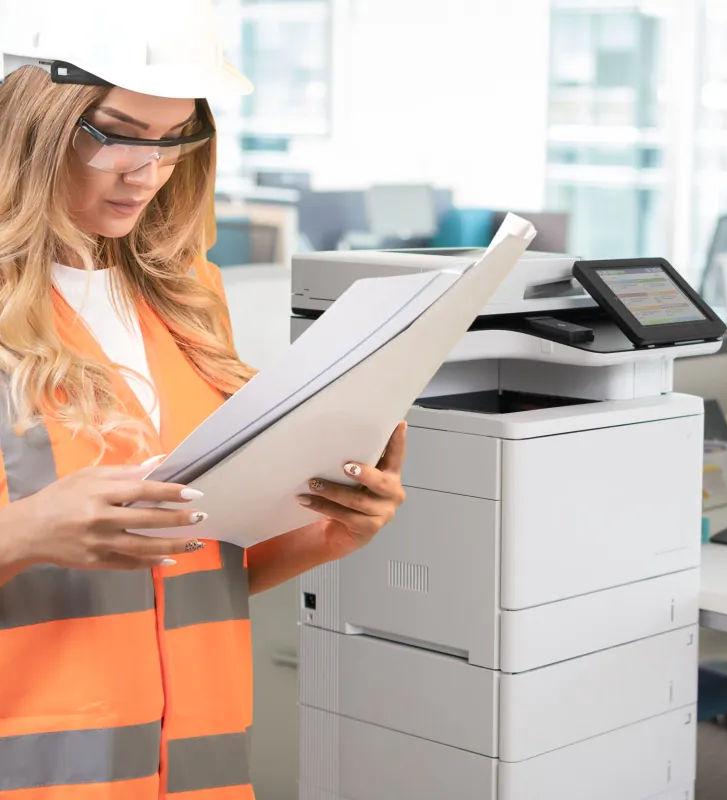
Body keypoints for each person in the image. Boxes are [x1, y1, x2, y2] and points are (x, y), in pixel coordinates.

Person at [0, 2, 408, 796]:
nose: (146, 172)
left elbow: (188, 566)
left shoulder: (186, 303)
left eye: (172, 139)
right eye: (113, 132)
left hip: (198, 771)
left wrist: (323, 532)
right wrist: (23, 532)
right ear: (29, 121)